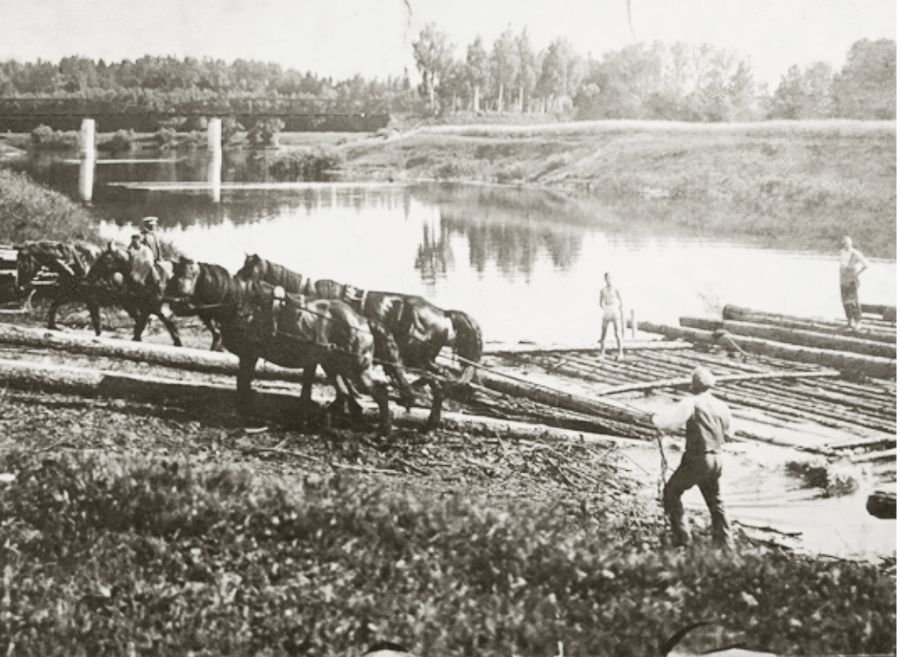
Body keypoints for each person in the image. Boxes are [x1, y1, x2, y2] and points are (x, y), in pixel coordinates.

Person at [652, 367, 733, 550]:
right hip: (717, 459)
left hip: (697, 458)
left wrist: (655, 420)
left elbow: (671, 425)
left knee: (671, 492)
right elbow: (729, 433)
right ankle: (725, 546)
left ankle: (682, 539)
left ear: (693, 385)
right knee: (716, 502)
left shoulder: (690, 402)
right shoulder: (722, 406)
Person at [839, 236, 869, 331]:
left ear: (851, 243)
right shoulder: (841, 253)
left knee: (854, 302)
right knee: (845, 301)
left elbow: (866, 264)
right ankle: (849, 321)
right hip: (843, 280)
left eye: (847, 243)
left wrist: (857, 273)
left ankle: (858, 322)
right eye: (844, 243)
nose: (845, 245)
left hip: (852, 281)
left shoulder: (855, 253)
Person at [598, 272, 624, 360]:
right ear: (604, 279)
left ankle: (620, 353)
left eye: (610, 278)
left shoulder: (616, 289)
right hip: (607, 311)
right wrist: (606, 309)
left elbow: (621, 302)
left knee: (617, 333)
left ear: (612, 278)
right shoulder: (602, 290)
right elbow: (600, 303)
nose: (608, 280)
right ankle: (602, 353)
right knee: (603, 333)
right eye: (607, 278)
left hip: (615, 311)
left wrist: (616, 309)